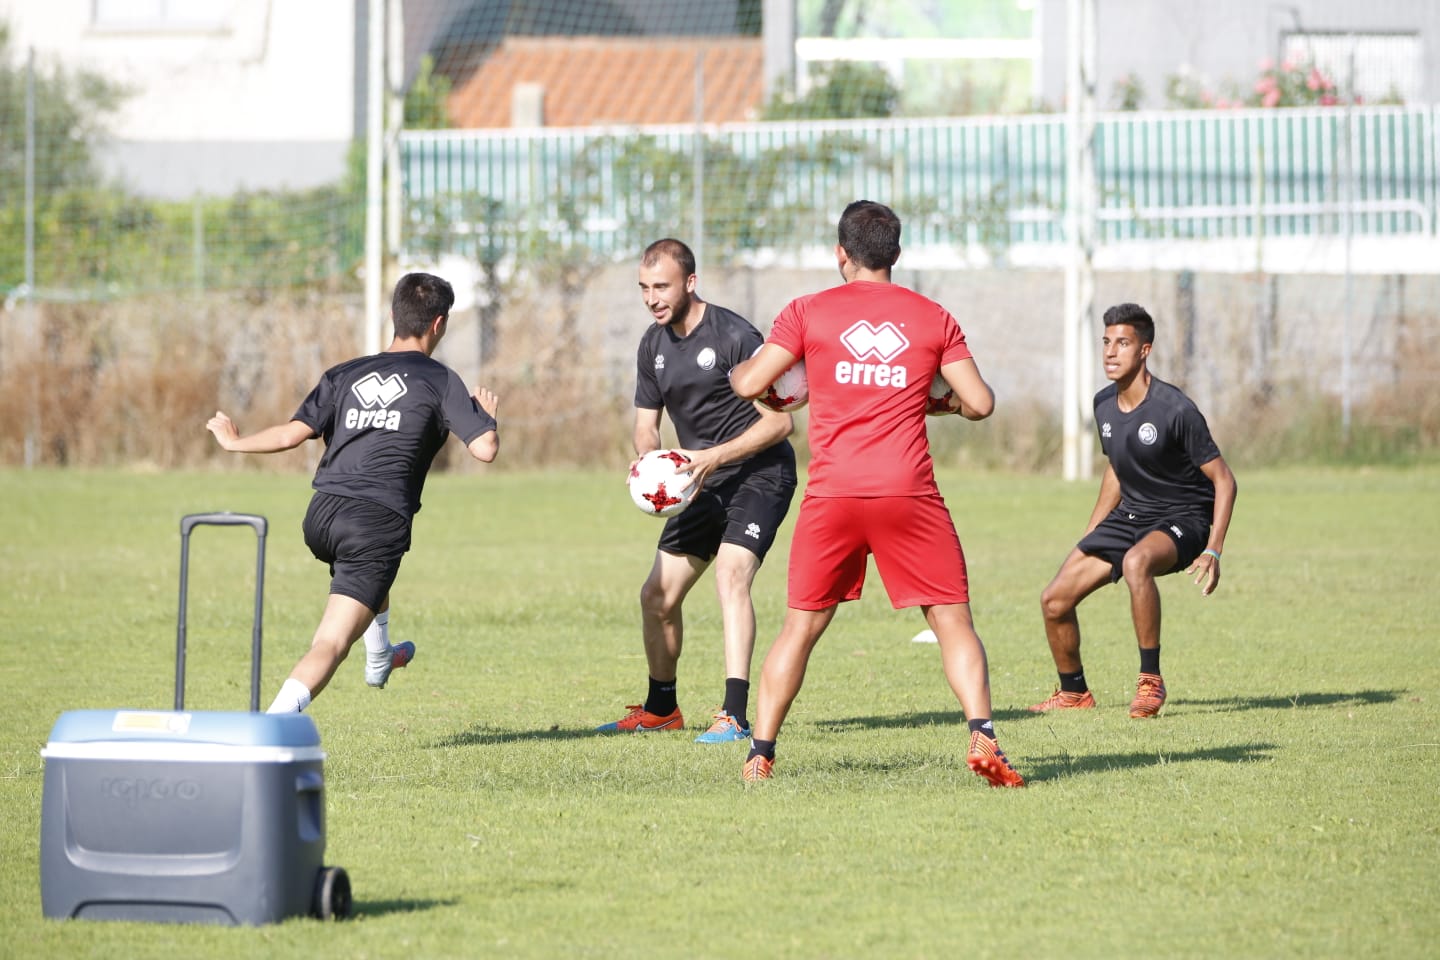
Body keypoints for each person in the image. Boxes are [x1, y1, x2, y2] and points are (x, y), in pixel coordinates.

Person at [729, 201, 1024, 787]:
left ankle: (760, 753)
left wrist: (767, 382)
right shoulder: (932, 317)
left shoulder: (807, 312)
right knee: (953, 621)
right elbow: (981, 403)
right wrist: (937, 402)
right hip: (908, 492)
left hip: (833, 495)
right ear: (897, 253)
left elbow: (750, 384)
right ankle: (983, 734)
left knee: (800, 629)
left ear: (841, 253)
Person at [205, 272, 499, 714]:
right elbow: (484, 450)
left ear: (394, 315)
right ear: (439, 324)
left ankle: (380, 657)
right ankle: (269, 725)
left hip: (322, 515)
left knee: (372, 573)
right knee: (330, 642)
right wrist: (487, 419)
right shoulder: (440, 379)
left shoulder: (344, 373)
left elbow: (290, 435)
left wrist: (234, 442)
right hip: (375, 521)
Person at [596, 238, 798, 744]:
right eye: (644, 288)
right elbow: (646, 426)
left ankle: (735, 715)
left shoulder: (735, 336)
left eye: (661, 287)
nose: (652, 298)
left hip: (759, 474)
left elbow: (780, 424)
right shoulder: (652, 345)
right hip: (696, 481)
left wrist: (711, 458)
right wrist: (649, 463)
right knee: (656, 596)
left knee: (731, 574)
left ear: (690, 282)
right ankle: (661, 709)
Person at [1029, 302, 1237, 719]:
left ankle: (1150, 681)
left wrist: (1213, 548)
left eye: (1122, 343)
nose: (1110, 352)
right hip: (1132, 516)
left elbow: (1224, 480)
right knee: (1054, 600)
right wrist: (1092, 532)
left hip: (1185, 517)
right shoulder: (1103, 404)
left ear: (1144, 350)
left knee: (1136, 562)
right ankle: (1073, 692)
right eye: (1106, 342)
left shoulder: (1175, 409)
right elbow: (1117, 469)